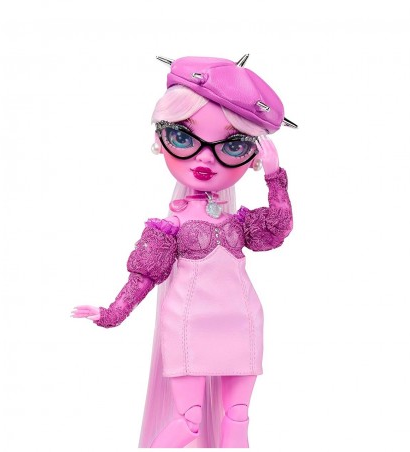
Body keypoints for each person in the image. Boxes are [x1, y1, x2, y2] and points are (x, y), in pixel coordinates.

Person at [71, 54, 296, 448]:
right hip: (188, 323)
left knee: (238, 416)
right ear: (160, 142)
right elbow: (144, 276)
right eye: (183, 138)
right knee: (188, 421)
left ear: (253, 156)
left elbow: (278, 228)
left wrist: (275, 176)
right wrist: (112, 313)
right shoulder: (168, 226)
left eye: (233, 145)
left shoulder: (239, 221)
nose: (205, 157)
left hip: (241, 320)